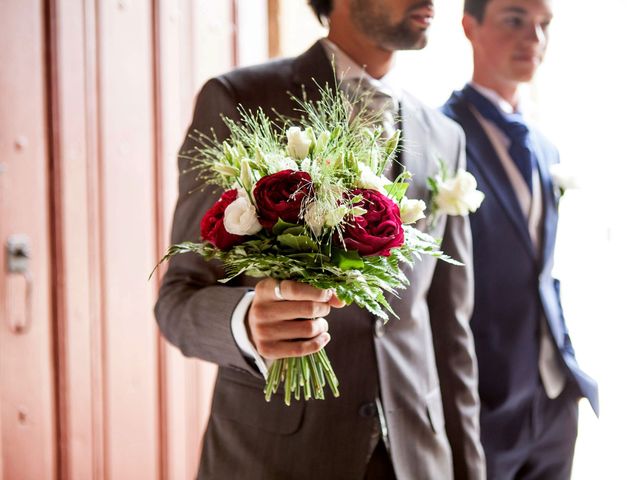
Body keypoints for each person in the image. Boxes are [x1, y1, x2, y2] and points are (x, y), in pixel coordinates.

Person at [155, 1, 485, 478]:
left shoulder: (445, 136)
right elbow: (177, 300)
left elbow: (450, 331)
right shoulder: (240, 99)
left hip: (417, 458)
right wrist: (246, 322)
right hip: (276, 458)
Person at [441, 1, 598, 478]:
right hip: (483, 403)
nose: (534, 38)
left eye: (543, 25)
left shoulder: (544, 145)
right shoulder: (440, 137)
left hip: (554, 400)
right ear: (470, 26)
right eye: (515, 20)